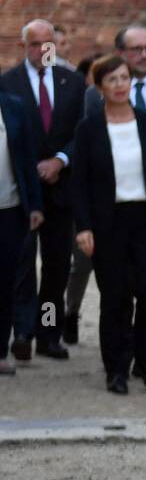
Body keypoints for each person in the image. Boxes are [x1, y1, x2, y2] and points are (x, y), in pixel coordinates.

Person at [72, 24, 146, 371]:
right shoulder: (90, 128)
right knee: (116, 297)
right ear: (100, 88)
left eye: (124, 79)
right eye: (112, 80)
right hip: (109, 220)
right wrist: (83, 226)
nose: (121, 85)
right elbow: (80, 181)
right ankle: (116, 366)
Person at [0, 18, 86, 361]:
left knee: (56, 266)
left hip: (61, 188)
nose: (42, 50)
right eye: (35, 44)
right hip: (22, 191)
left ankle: (49, 332)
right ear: (24, 47)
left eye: (48, 43)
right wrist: (31, 167)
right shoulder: (8, 82)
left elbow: (83, 131)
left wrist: (61, 160)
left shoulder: (72, 82)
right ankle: (22, 332)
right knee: (20, 265)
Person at [0, 88, 43, 376]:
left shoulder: (13, 105)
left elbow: (27, 157)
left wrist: (35, 205)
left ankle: (0, 349)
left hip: (9, 208)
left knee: (5, 281)